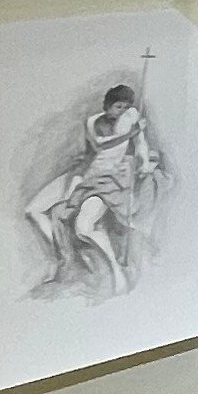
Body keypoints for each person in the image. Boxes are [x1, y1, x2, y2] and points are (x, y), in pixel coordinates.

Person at [25, 79, 160, 297]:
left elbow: (142, 143)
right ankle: (68, 261)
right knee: (49, 212)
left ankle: (116, 273)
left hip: (113, 178)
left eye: (126, 107)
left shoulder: (131, 116)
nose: (122, 111)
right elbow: (98, 146)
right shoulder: (92, 122)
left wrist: (144, 163)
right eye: (118, 106)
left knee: (83, 227)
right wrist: (129, 135)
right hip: (90, 173)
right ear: (107, 105)